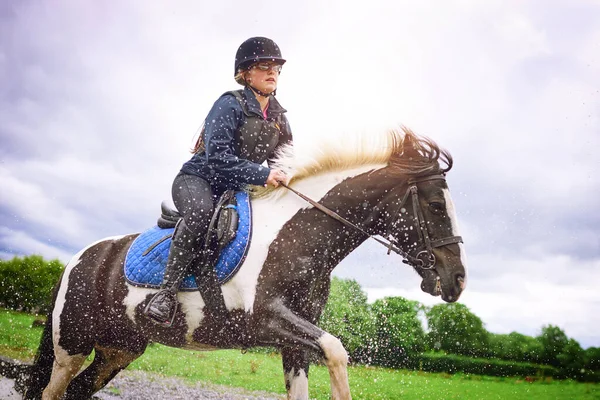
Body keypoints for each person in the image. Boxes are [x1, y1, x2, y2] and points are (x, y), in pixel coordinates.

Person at [144, 37, 292, 327]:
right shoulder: (229, 103)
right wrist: (264, 175)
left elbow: (282, 164)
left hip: (234, 190)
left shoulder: (280, 119)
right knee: (200, 214)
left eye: (276, 68)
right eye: (264, 67)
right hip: (198, 179)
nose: (272, 72)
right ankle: (165, 295)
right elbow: (218, 158)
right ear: (246, 74)